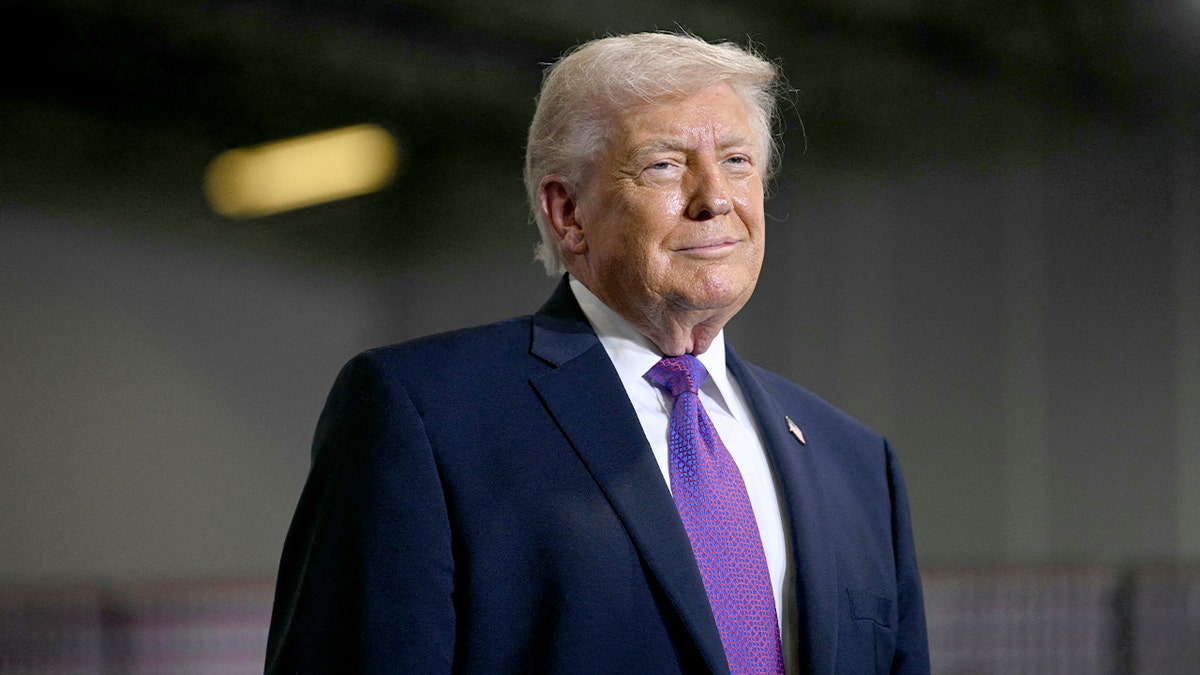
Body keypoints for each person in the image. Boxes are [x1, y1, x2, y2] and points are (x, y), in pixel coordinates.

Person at [266, 32, 928, 674]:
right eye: (664, 164)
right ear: (568, 214)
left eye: (736, 161)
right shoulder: (425, 417)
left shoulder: (856, 463)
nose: (715, 199)